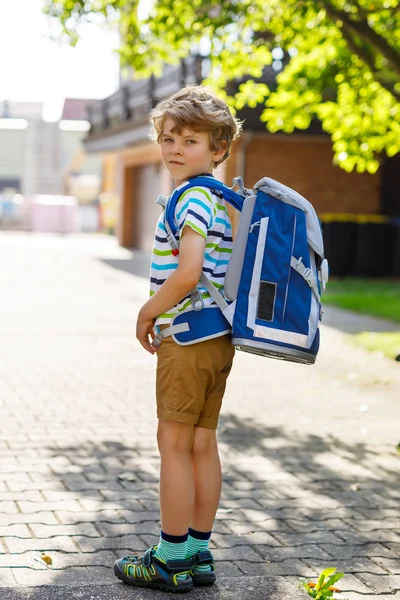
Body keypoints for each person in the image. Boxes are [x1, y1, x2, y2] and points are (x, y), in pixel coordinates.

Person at [114, 84, 242, 593]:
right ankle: (198, 551)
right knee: (202, 445)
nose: (173, 148)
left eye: (189, 140)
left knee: (173, 444)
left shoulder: (190, 199)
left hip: (186, 337)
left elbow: (187, 272)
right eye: (168, 137)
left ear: (218, 148)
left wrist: (147, 311)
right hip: (218, 338)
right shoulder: (223, 199)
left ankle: (169, 559)